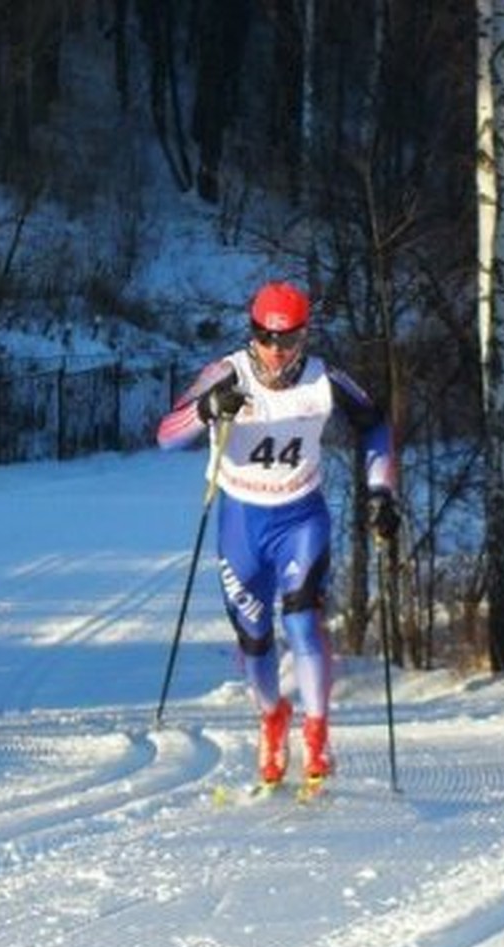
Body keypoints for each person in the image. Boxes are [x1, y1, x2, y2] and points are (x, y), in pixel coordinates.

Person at [157, 280, 399, 786]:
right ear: (252, 333)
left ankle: (316, 733)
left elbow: (375, 424)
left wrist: (381, 493)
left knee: (303, 624)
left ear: (303, 337)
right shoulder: (227, 374)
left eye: (286, 340)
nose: (274, 351)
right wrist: (206, 411)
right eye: (264, 337)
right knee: (253, 639)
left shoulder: (323, 380)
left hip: (299, 518)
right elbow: (166, 437)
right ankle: (273, 719)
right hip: (242, 520)